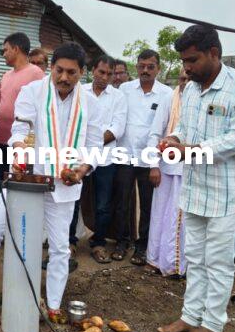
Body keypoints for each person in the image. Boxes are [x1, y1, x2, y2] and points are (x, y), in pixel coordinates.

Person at [0, 42, 102, 322]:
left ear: (82, 73)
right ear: (51, 67)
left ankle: (55, 303)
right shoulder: (32, 92)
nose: (64, 77)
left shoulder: (91, 103)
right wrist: (21, 150)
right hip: (26, 178)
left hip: (64, 184)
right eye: (59, 70)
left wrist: (81, 170)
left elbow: (95, 145)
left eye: (71, 73)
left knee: (60, 247)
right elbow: (20, 129)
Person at [157, 24, 235, 332]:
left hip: (228, 194)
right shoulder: (191, 89)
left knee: (218, 261)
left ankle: (212, 325)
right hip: (196, 188)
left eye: (192, 60)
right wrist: (174, 138)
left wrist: (192, 150)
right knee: (195, 257)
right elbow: (186, 126)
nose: (186, 67)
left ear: (214, 53)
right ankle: (190, 316)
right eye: (184, 61)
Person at [113, 49, 172, 264]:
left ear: (158, 68)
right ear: (136, 67)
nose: (145, 71)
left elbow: (165, 129)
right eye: (141, 66)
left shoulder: (167, 93)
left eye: (150, 66)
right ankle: (122, 242)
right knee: (122, 203)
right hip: (125, 155)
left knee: (148, 205)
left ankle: (142, 246)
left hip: (149, 159)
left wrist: (156, 162)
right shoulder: (125, 90)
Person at [69, 55, 127, 264]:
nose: (104, 77)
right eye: (101, 72)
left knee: (103, 204)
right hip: (79, 155)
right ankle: (70, 242)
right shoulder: (79, 91)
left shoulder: (118, 97)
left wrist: (92, 141)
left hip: (105, 157)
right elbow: (74, 121)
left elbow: (117, 128)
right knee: (73, 199)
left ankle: (99, 243)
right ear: (93, 70)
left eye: (109, 74)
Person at [0, 32, 45, 200]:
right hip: (1, 140)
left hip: (22, 144)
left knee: (17, 184)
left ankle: (13, 222)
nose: (3, 53)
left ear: (16, 48)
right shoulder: (6, 75)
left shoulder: (36, 74)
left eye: (5, 50)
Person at [145, 68, 189, 277]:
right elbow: (155, 133)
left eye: (188, 79)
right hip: (165, 166)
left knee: (181, 218)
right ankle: (155, 260)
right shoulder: (168, 99)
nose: (184, 82)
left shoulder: (200, 101)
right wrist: (153, 165)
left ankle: (177, 265)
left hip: (190, 167)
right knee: (160, 215)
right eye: (181, 78)